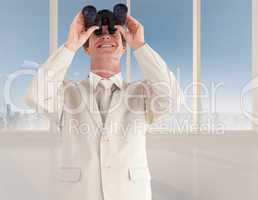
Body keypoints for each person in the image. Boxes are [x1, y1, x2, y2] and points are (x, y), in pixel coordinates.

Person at [24, 10, 184, 200]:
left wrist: (140, 46)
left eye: (113, 32)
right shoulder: (67, 93)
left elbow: (173, 99)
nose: (106, 35)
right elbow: (36, 95)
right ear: (86, 47)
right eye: (97, 33)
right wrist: (70, 45)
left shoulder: (141, 94)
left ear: (125, 47)